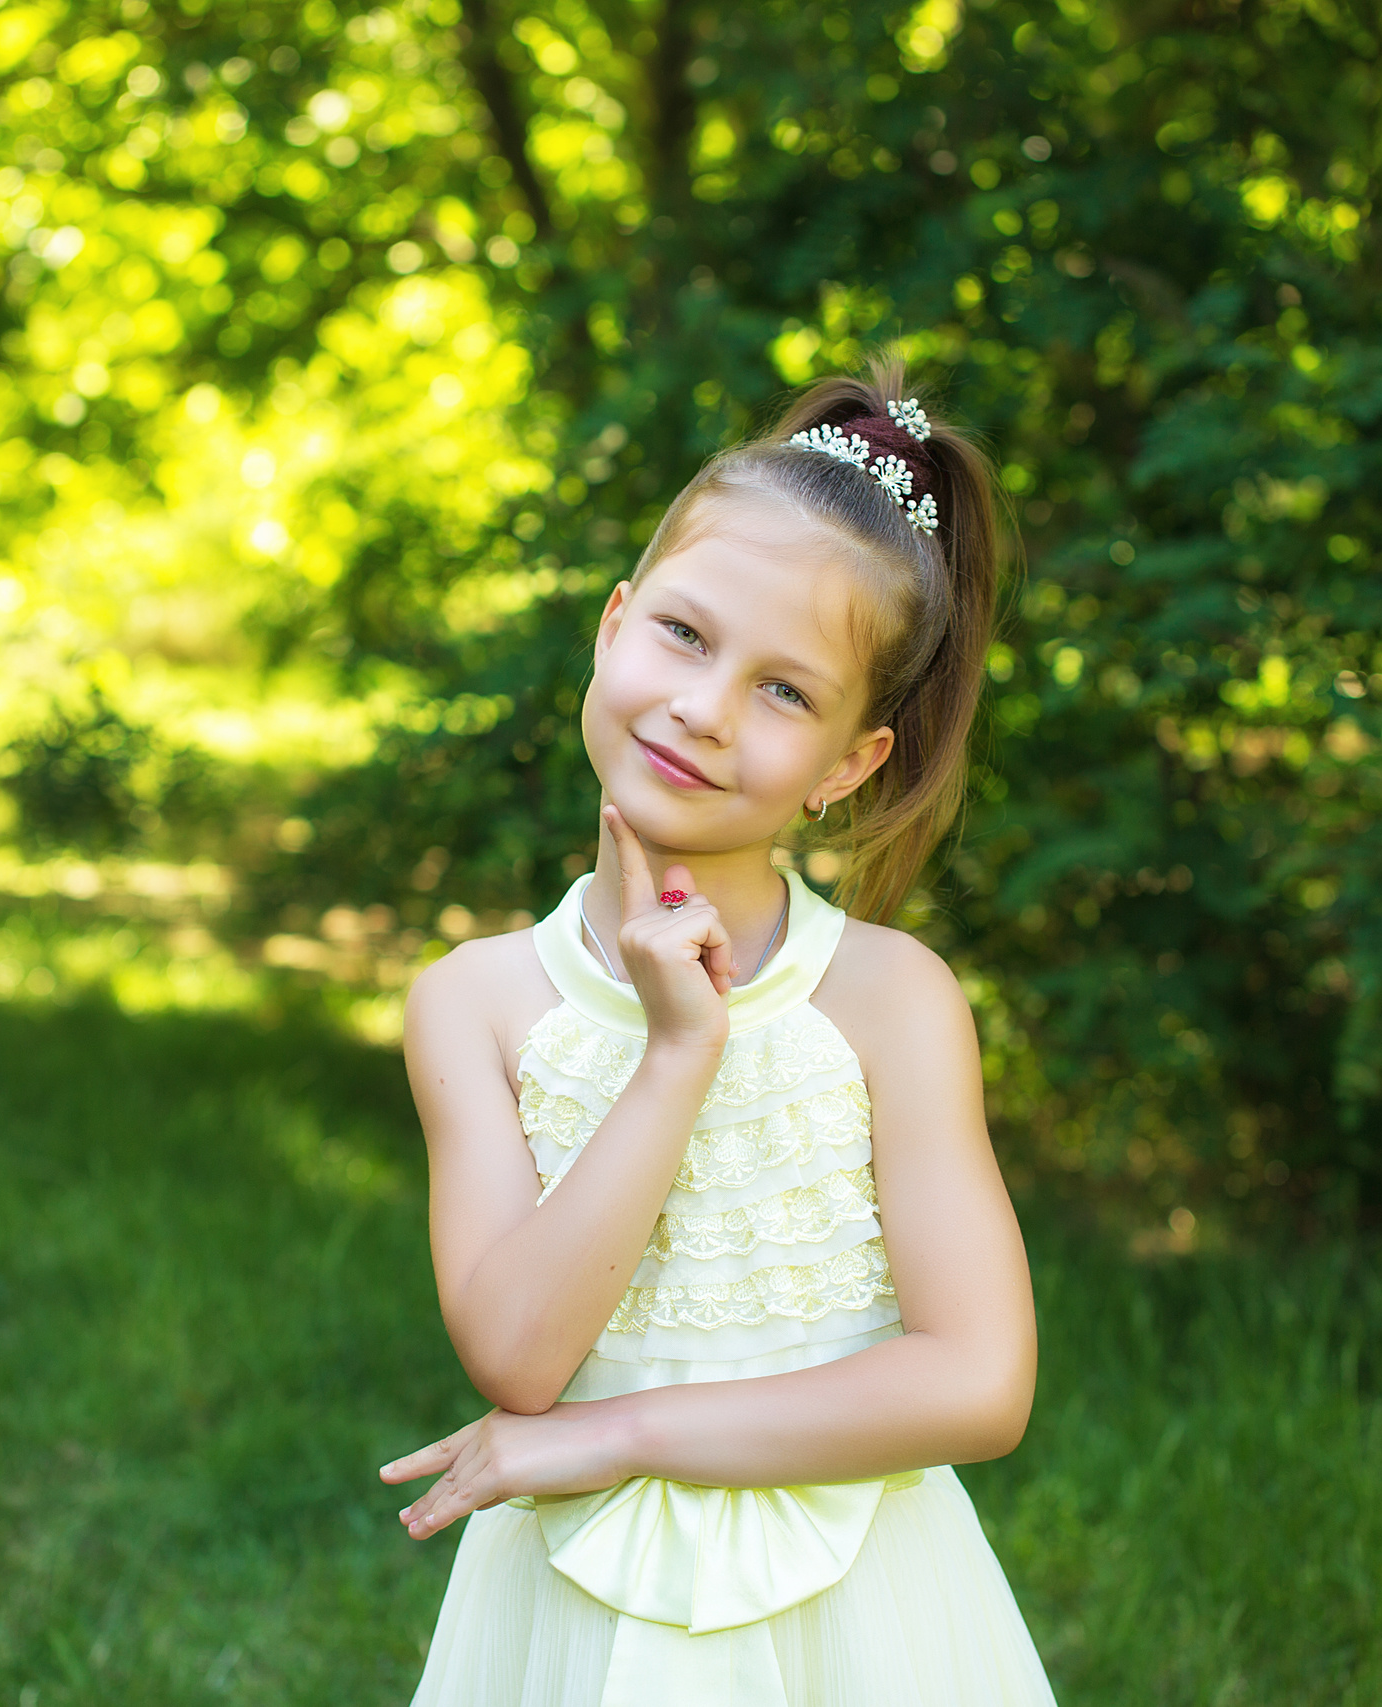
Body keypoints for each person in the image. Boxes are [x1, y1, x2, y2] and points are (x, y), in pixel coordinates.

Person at [381, 358, 1054, 1704]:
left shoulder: (889, 1001)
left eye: (785, 693)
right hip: (575, 1610)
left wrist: (622, 1436)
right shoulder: (476, 1003)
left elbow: (980, 1381)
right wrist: (680, 1053)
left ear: (850, 765)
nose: (704, 707)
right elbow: (517, 1354)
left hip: (859, 1614)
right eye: (684, 635)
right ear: (614, 623)